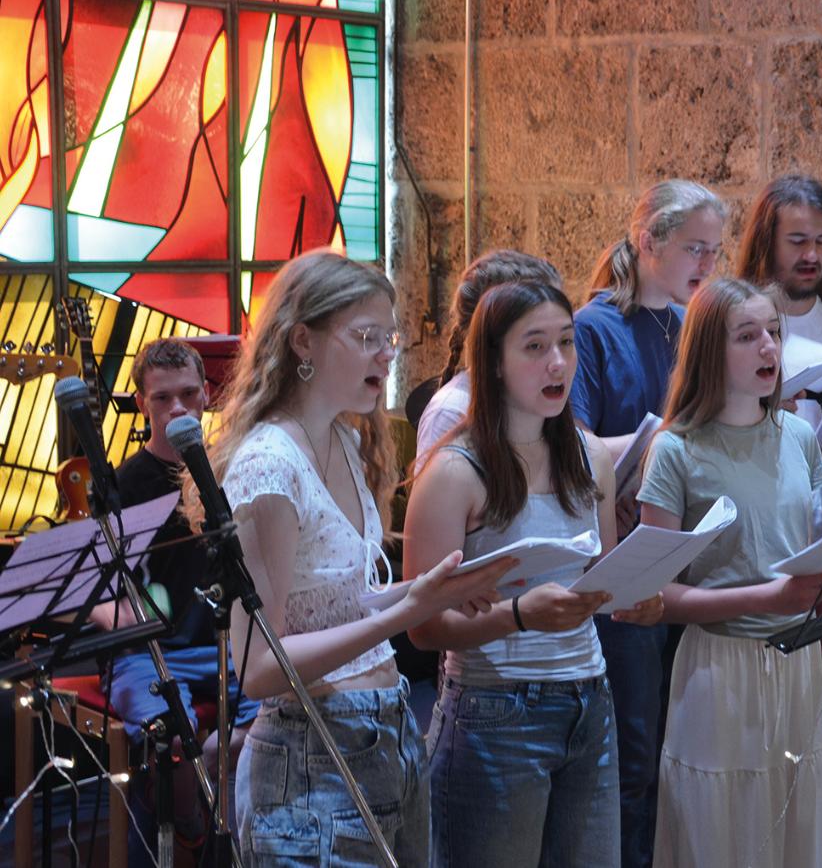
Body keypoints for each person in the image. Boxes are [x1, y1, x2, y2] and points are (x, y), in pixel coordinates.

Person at [198, 249, 514, 866]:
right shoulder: (269, 466)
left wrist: (434, 591)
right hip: (309, 760)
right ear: (302, 342)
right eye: (367, 337)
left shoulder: (344, 439)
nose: (387, 354)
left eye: (388, 337)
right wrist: (406, 612)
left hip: (387, 736)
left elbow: (337, 607)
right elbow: (260, 666)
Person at [403, 279, 663, 868]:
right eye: (534, 346)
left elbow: (599, 577)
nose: (557, 363)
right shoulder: (453, 472)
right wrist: (517, 615)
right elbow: (420, 625)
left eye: (567, 344)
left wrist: (639, 599)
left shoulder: (591, 453)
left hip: (589, 699)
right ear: (492, 363)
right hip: (493, 711)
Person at [638, 276, 822, 868]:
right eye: (747, 336)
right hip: (719, 669)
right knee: (723, 835)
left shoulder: (799, 436)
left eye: (773, 333)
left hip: (795, 660)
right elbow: (657, 596)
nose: (769, 349)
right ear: (708, 352)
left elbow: (809, 552)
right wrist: (766, 597)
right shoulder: (676, 448)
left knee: (792, 825)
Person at [572, 178, 726, 868]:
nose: (706, 265)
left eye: (715, 252)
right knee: (634, 754)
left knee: (684, 748)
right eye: (695, 248)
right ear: (648, 240)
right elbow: (566, 452)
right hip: (627, 562)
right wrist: (657, 445)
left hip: (690, 554)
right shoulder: (595, 328)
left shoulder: (693, 326)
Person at [93, 338, 259, 859]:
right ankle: (192, 826)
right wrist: (123, 615)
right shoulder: (120, 485)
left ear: (207, 396)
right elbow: (94, 596)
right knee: (172, 736)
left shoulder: (230, 469)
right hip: (147, 651)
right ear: (142, 403)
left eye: (188, 394)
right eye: (163, 398)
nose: (178, 408)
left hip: (226, 642)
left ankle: (215, 776)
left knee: (284, 706)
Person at [736, 174, 822, 530]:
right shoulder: (733, 330)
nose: (812, 255)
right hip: (759, 525)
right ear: (766, 244)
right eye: (797, 242)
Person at [416, 249, 562, 455]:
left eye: (565, 339)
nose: (559, 361)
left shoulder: (535, 402)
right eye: (536, 342)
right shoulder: (452, 413)